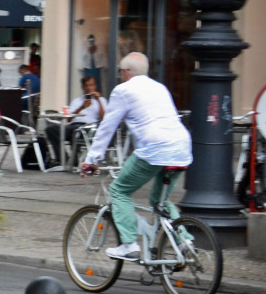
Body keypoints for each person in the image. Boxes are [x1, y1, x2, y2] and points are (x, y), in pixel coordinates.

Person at [81, 52, 192, 261]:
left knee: (119, 190)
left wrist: (92, 159)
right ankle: (184, 240)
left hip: (155, 148)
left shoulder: (123, 90)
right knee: (160, 200)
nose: (121, 75)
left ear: (126, 72)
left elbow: (107, 127)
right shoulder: (160, 87)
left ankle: (129, 244)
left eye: (121, 72)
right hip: (181, 146)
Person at [45, 75, 107, 166]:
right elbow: (69, 119)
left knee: (76, 130)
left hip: (88, 128)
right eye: (86, 85)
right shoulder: (77, 101)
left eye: (91, 85)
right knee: (50, 129)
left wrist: (98, 100)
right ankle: (64, 159)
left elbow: (104, 118)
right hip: (72, 126)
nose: (89, 88)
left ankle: (72, 161)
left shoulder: (102, 100)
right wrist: (81, 107)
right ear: (83, 87)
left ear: (95, 86)